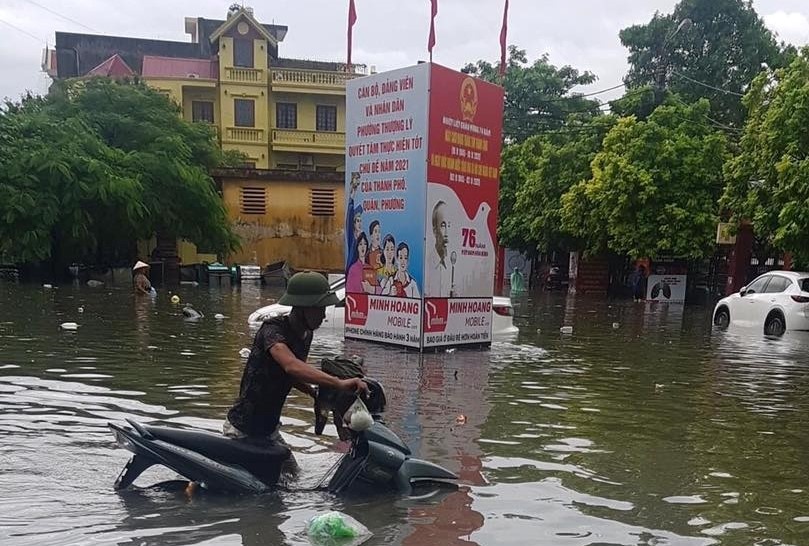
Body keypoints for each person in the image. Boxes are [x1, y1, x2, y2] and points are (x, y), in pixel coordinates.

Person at [224, 271, 368, 447]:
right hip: (242, 429)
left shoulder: (306, 335)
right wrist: (338, 383)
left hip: (269, 430)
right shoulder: (272, 330)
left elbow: (295, 374)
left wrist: (315, 393)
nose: (323, 316)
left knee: (292, 473)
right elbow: (291, 366)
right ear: (302, 308)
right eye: (320, 309)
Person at [426, 201, 453, 297]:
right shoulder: (427, 266)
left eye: (449, 225)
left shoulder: (452, 266)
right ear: (434, 231)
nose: (447, 233)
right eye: (443, 225)